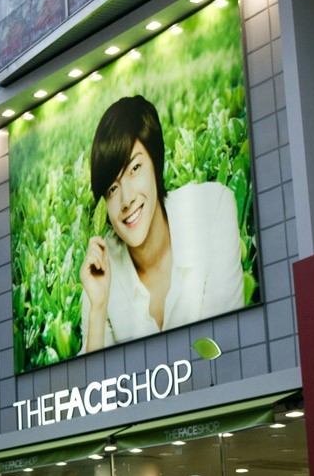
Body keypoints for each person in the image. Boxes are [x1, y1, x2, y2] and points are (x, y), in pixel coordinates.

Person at [78, 94, 245, 350]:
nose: (126, 199)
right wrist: (98, 309)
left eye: (134, 169)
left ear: (156, 163)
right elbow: (92, 388)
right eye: (112, 188)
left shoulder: (212, 209)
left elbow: (227, 348)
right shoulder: (100, 268)